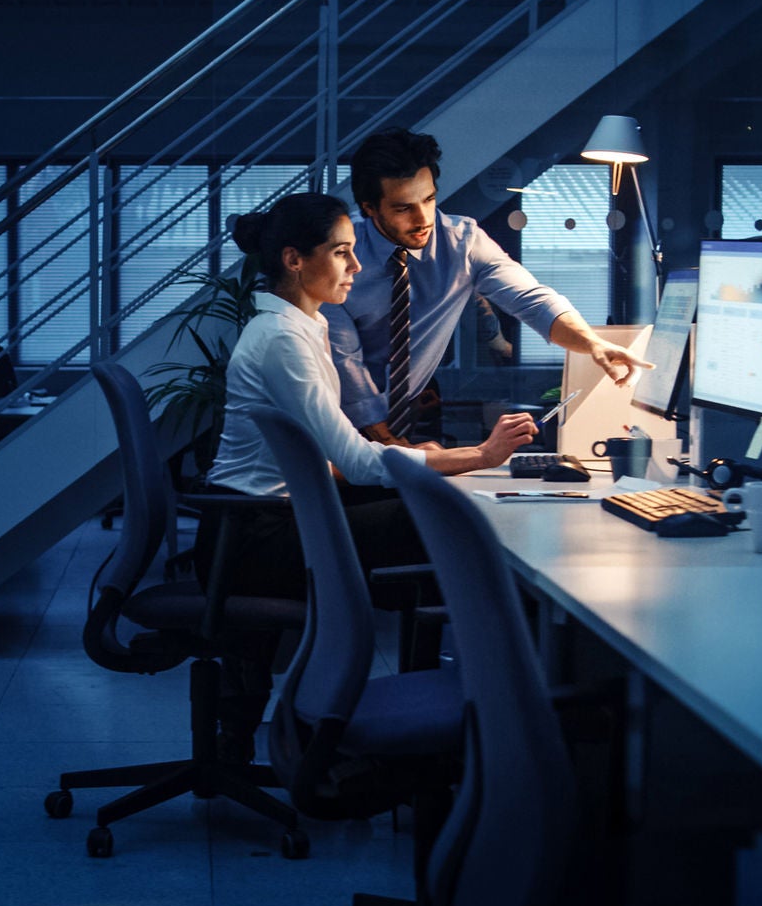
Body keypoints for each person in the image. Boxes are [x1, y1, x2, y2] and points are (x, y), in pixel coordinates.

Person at [200, 192, 540, 757]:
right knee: (431, 519)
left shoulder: (297, 327)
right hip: (253, 537)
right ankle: (460, 723)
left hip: (262, 523)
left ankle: (438, 717)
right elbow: (357, 461)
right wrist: (477, 456)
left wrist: (430, 458)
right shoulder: (285, 339)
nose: (357, 266)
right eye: (340, 253)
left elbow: (334, 456)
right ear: (293, 260)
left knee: (425, 506)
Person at [325, 127, 650, 447]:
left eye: (429, 199)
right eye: (403, 208)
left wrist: (593, 344)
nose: (423, 218)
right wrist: (402, 453)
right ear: (369, 207)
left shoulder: (462, 242)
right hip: (325, 420)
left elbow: (534, 301)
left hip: (396, 427)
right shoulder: (338, 257)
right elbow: (346, 366)